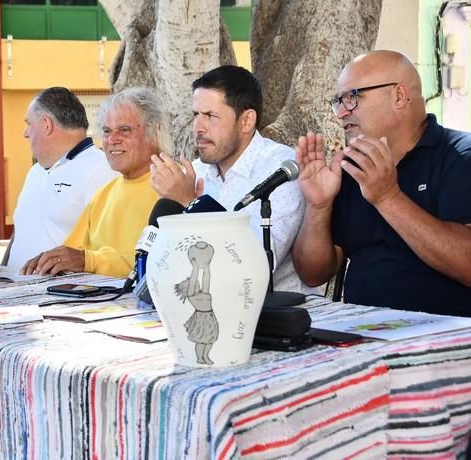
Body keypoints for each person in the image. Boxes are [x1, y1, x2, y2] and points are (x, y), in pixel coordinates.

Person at [293, 50, 471, 316]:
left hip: (444, 340)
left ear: (399, 96)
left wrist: (388, 198)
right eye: (337, 102)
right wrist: (318, 207)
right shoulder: (353, 168)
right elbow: (313, 274)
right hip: (360, 334)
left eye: (352, 97)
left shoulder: (459, 156)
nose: (341, 113)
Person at [150, 65, 308, 293]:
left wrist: (190, 203)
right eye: (196, 115)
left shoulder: (282, 171)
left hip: (273, 316)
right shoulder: (196, 172)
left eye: (210, 116)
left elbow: (254, 266)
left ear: (246, 121)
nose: (198, 128)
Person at [20, 87, 167, 277]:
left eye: (124, 130)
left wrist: (89, 261)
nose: (113, 140)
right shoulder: (104, 194)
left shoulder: (174, 186)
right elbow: (71, 254)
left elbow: (163, 263)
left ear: (154, 133)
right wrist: (47, 262)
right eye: (106, 131)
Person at [3, 87, 117, 272]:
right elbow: (21, 231)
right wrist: (3, 270)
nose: (25, 133)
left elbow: (111, 247)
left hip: (63, 295)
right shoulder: (35, 172)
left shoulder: (101, 169)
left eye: (29, 124)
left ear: (46, 124)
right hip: (14, 291)